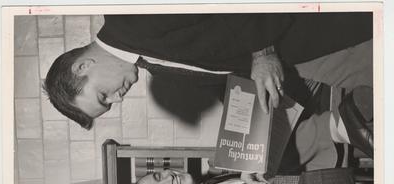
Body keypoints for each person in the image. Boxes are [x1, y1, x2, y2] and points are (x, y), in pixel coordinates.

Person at [43, 12, 372, 130]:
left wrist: (263, 50)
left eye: (104, 96)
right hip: (302, 61)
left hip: (306, 29)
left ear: (83, 66)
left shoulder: (129, 16)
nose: (118, 98)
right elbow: (234, 78)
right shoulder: (151, 66)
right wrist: (247, 158)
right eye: (110, 104)